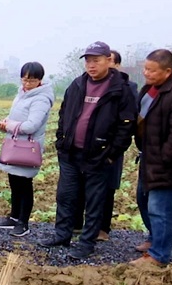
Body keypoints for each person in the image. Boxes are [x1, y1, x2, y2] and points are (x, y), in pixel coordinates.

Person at [40, 41, 136, 260]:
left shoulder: (120, 89)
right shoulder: (77, 84)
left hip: (99, 156)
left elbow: (126, 125)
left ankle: (87, 242)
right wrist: (61, 139)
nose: (91, 66)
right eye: (88, 61)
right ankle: (62, 234)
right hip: (71, 152)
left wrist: (112, 154)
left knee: (94, 200)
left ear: (109, 61)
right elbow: (65, 113)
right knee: (65, 195)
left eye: (96, 61)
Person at [72, 49, 139, 240]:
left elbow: (127, 121)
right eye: (90, 61)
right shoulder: (84, 84)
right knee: (81, 186)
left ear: (115, 65)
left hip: (109, 148)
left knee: (107, 187)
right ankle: (78, 224)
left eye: (108, 62)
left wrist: (113, 151)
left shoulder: (127, 87)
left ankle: (102, 228)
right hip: (87, 148)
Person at [130, 49, 172, 267]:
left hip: (166, 163)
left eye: (152, 70)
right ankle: (154, 240)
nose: (146, 73)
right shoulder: (151, 90)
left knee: (160, 209)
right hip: (148, 157)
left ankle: (159, 256)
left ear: (168, 71)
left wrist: (164, 159)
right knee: (144, 201)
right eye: (145, 68)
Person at [0, 62, 55, 236]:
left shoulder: (41, 98)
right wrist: (5, 123)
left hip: (27, 147)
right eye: (24, 79)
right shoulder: (22, 94)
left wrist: (9, 125)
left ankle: (23, 222)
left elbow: (31, 125)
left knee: (24, 184)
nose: (27, 84)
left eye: (31, 80)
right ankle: (14, 217)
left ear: (40, 80)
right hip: (15, 144)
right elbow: (15, 116)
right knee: (14, 181)